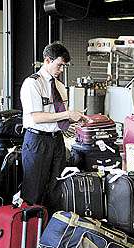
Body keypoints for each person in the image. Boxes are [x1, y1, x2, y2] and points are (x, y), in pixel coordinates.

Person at [20, 42, 85, 205]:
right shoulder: (32, 83)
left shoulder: (60, 87)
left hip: (57, 140)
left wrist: (76, 118)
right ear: (47, 61)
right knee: (34, 190)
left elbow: (59, 117)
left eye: (64, 66)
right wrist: (67, 114)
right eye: (59, 65)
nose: (61, 70)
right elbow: (37, 117)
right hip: (37, 141)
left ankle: (52, 227)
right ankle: (31, 228)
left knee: (56, 188)